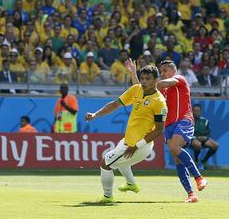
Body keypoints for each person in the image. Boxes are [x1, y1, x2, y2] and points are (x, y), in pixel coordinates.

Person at [126, 59, 208, 202]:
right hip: (168, 126)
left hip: (184, 120)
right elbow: (140, 91)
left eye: (164, 71)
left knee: (174, 147)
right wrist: (134, 74)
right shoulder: (160, 91)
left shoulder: (179, 80)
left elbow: (161, 83)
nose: (162, 73)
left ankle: (199, 177)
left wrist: (149, 81)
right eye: (161, 71)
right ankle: (191, 194)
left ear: (173, 71)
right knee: (176, 158)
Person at [85, 65, 167, 203]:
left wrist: (137, 145)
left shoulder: (159, 102)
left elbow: (159, 130)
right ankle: (131, 184)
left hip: (141, 145)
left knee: (106, 163)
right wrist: (95, 114)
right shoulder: (136, 90)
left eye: (148, 79)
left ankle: (107, 197)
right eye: (142, 78)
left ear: (156, 80)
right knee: (120, 160)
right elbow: (115, 104)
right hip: (128, 140)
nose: (144, 81)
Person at [191, 104, 219, 169]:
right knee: (198, 144)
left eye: (198, 111)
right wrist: (196, 137)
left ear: (200, 112)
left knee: (215, 145)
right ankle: (196, 160)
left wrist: (206, 137)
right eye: (194, 111)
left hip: (204, 139)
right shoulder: (189, 120)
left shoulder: (205, 121)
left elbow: (208, 132)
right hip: (193, 139)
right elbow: (188, 133)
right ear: (192, 111)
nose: (196, 112)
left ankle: (204, 160)